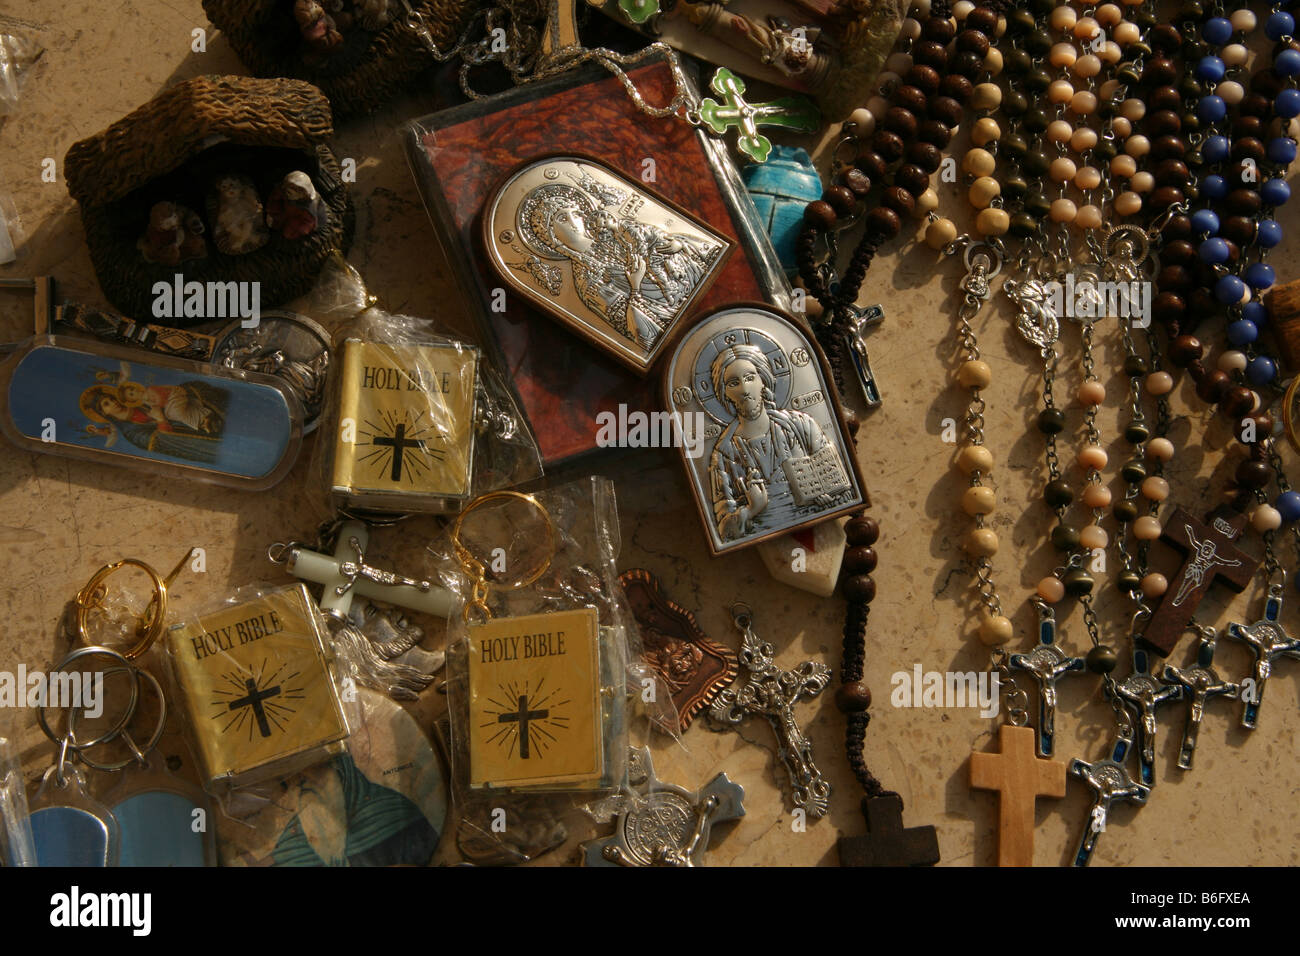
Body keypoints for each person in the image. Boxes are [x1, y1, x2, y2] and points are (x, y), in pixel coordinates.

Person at [517, 182, 719, 351]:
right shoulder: (587, 281)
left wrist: (678, 245)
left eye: (576, 214)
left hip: (703, 286)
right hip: (677, 333)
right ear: (551, 237)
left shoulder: (611, 234)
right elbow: (630, 327)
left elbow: (653, 239)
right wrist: (636, 285)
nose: (574, 222)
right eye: (562, 219)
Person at [706, 344, 847, 541]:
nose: (745, 389)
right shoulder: (724, 454)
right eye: (733, 383)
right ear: (724, 393)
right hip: (763, 543)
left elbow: (843, 490)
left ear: (763, 381)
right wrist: (750, 510)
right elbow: (724, 530)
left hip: (823, 531)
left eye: (750, 378)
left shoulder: (801, 425)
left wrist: (828, 494)